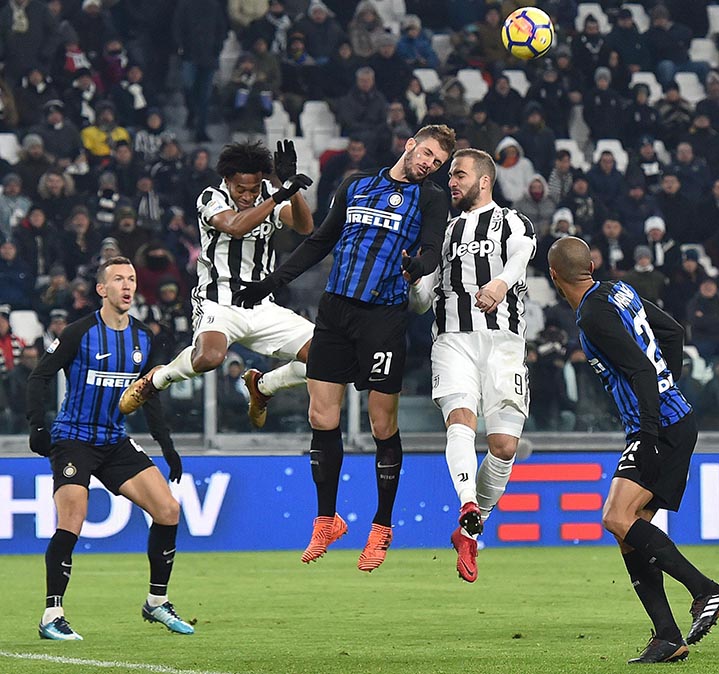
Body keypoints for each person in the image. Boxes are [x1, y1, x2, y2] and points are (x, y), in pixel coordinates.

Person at [231, 124, 455, 571]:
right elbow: (320, 241)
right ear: (410, 144)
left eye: (438, 162)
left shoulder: (431, 198)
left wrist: (417, 265)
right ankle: (326, 519)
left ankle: (382, 526)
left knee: (381, 423)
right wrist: (271, 283)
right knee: (321, 416)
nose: (429, 164)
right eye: (427, 153)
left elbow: (432, 249)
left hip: (383, 317)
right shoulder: (356, 184)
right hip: (335, 310)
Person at [547, 236, 719, 664]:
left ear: (554, 276)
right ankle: (667, 637)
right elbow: (673, 332)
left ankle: (706, 589)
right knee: (629, 532)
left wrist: (649, 431)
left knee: (616, 517)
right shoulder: (620, 290)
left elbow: (641, 369)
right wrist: (668, 388)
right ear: (591, 265)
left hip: (658, 428)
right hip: (668, 419)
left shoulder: (592, 315)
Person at [25, 257, 192, 641]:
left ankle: (156, 603)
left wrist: (166, 446)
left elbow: (148, 395)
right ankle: (52, 614)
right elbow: (39, 377)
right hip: (73, 438)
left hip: (114, 439)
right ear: (102, 289)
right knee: (73, 519)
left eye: (131, 279)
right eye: (118, 279)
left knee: (168, 510)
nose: (127, 285)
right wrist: (38, 428)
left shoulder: (142, 338)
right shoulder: (78, 332)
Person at [117, 140, 314, 430]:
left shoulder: (271, 193)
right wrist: (276, 197)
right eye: (241, 189)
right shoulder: (211, 197)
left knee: (328, 357)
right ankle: (156, 379)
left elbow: (305, 227)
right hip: (219, 301)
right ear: (227, 182)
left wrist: (291, 190)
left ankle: (264, 386)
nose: (248, 196)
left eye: (254, 189)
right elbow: (234, 226)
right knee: (210, 357)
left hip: (263, 304)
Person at [408, 148, 536, 582]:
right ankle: (467, 503)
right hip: (452, 339)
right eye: (450, 177)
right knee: (460, 422)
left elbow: (523, 255)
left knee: (503, 447)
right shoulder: (440, 232)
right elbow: (422, 302)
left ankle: (470, 530)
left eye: (459, 175)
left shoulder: (511, 221)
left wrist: (499, 283)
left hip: (504, 343)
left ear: (484, 181)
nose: (452, 182)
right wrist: (413, 280)